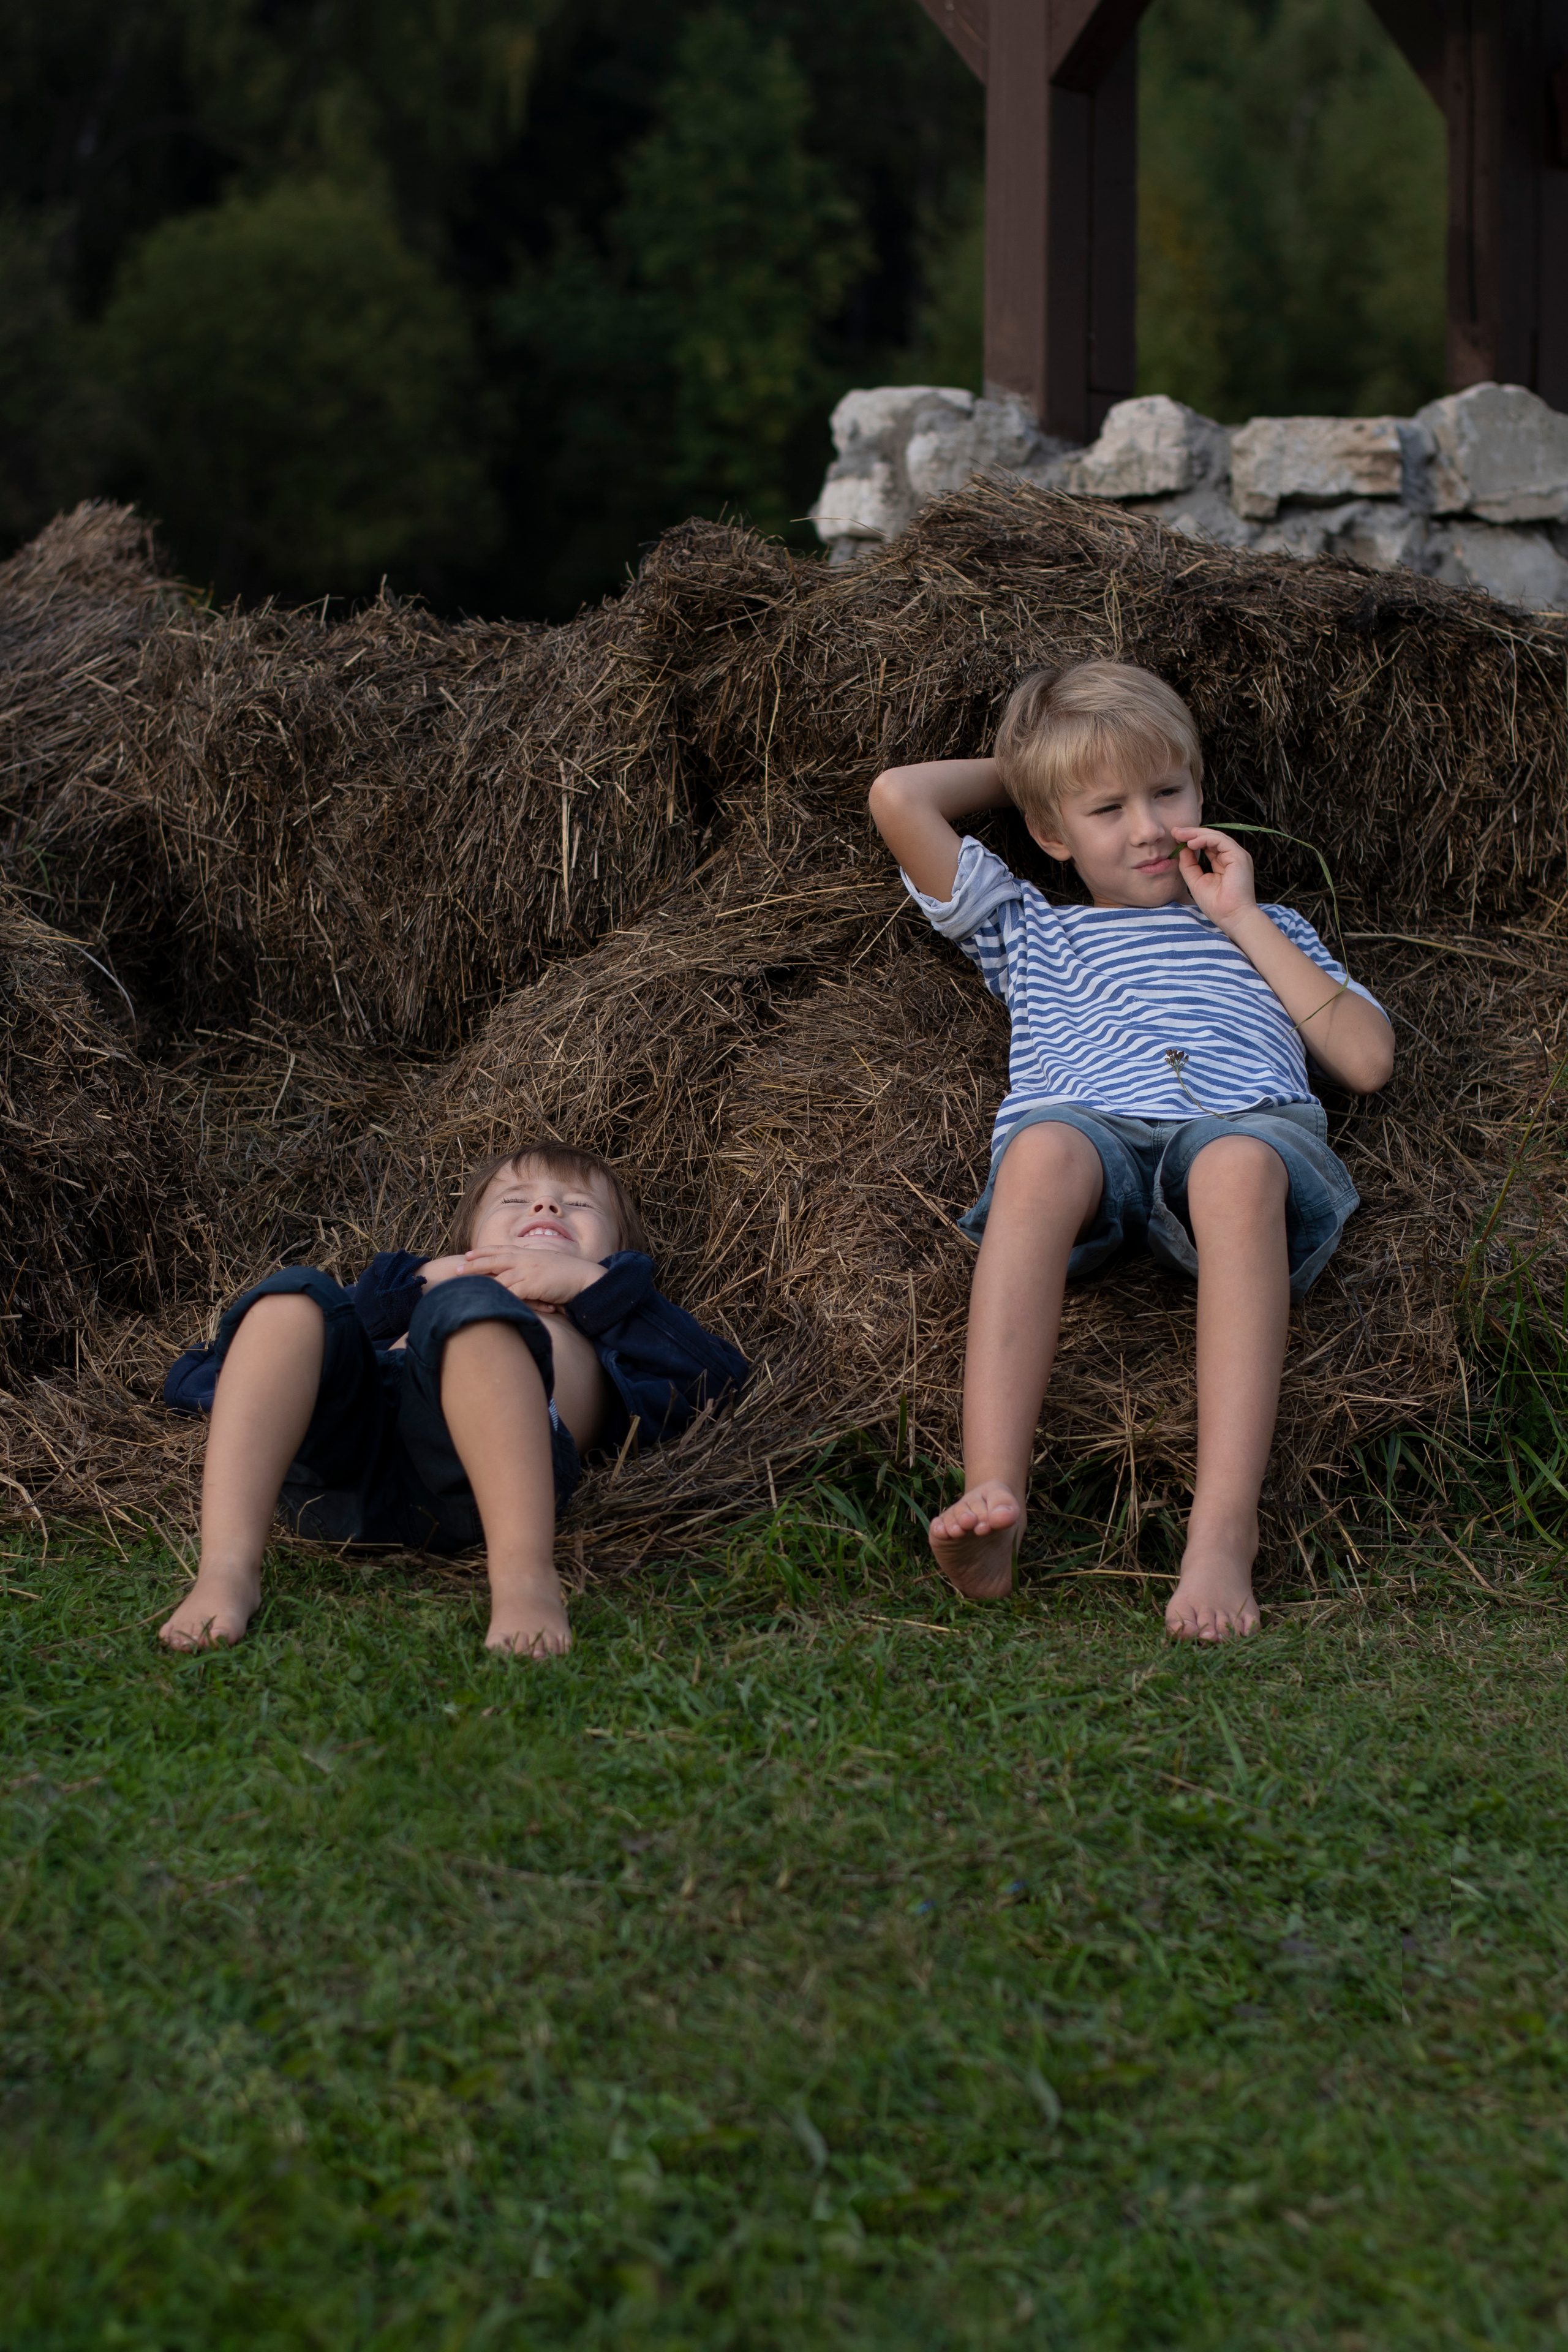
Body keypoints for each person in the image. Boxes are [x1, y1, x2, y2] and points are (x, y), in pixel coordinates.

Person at [868, 660, 1395, 1640]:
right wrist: (1034, 767)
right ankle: (993, 1496)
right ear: (1052, 835)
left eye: (1167, 790)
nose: (1149, 827)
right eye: (1106, 809)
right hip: (1089, 1129)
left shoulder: (1272, 926)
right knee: (1039, 1156)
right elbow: (900, 796)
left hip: (1241, 1125)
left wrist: (1240, 917)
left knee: (1238, 1173)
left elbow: (1364, 1062)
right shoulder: (1030, 930)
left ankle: (1222, 1530)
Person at [158, 1143, 748, 1657]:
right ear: (470, 1238)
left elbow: (715, 1381)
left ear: (616, 1250)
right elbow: (207, 1372)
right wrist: (416, 1287)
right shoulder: (409, 1292)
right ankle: (228, 1569)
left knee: (477, 1316)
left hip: (474, 1485)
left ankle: (523, 1581)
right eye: (515, 1200)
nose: (546, 1208)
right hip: (335, 1473)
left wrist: (596, 1290)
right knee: (292, 1295)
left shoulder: (613, 1320)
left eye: (581, 1204)